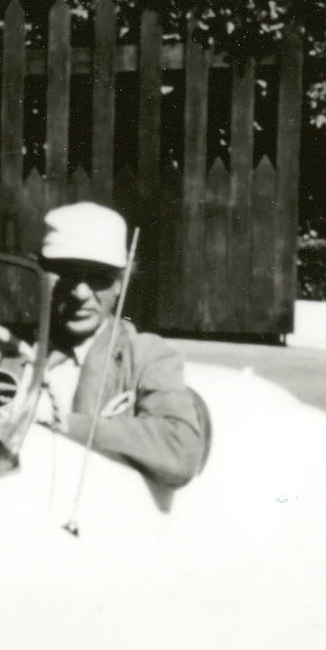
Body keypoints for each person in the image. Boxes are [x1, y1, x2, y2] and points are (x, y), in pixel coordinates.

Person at [32, 202, 210, 490]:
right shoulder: (0, 350)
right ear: (42, 274)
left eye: (98, 276)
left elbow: (181, 450)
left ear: (120, 283)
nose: (80, 293)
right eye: (66, 272)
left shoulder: (147, 357)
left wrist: (63, 425)